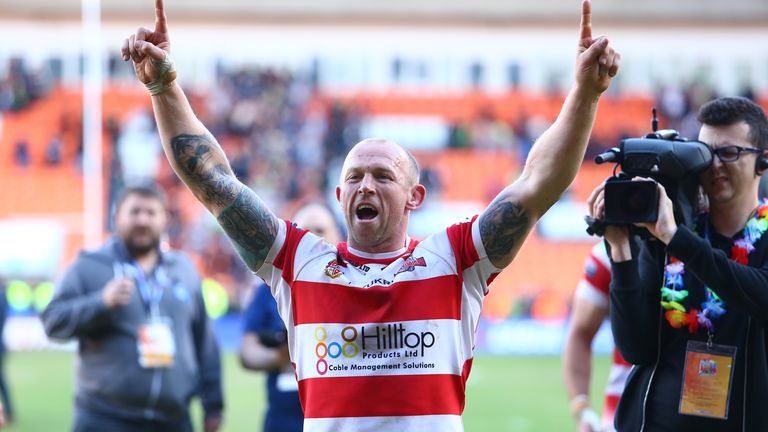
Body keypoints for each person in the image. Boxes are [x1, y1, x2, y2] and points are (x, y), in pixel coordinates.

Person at [121, 0, 619, 429]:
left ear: (414, 197)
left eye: (383, 176)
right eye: (355, 176)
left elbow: (538, 184)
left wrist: (586, 93)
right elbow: (215, 183)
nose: (366, 184)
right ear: (339, 195)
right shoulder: (298, 262)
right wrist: (163, 87)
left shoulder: (456, 260)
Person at [588, 96, 768, 430]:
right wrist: (621, 252)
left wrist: (678, 239)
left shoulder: (676, 236)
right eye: (704, 153)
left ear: (763, 161)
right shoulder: (669, 233)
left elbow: (759, 294)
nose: (713, 165)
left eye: (728, 153)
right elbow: (635, 349)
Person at [41, 184, 224, 432]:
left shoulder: (184, 269)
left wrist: (213, 404)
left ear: (165, 219)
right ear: (117, 217)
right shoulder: (89, 265)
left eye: (150, 213)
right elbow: (53, 321)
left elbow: (204, 341)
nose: (142, 220)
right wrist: (100, 303)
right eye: (135, 211)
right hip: (105, 419)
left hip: (174, 420)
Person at [240, 203, 342, 432]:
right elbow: (247, 353)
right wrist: (283, 356)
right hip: (284, 417)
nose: (313, 239)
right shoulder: (269, 288)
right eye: (305, 232)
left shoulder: (353, 286)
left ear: (338, 235)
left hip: (336, 417)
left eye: (321, 230)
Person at [562, 242, 630, 432]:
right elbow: (580, 333)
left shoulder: (708, 247)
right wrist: (582, 409)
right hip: (621, 415)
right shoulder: (609, 252)